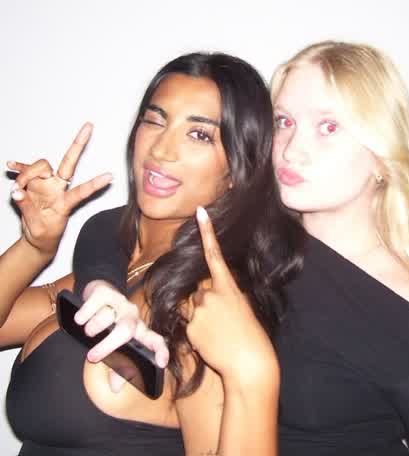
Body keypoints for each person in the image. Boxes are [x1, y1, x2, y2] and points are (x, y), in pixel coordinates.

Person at [2, 52, 301, 456]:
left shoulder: (202, 301)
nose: (161, 150)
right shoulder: (112, 269)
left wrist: (253, 375)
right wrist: (35, 247)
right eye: (155, 120)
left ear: (237, 168)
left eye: (200, 135)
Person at [270, 40, 409, 454]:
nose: (292, 149)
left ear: (382, 156)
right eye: (284, 121)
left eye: (328, 127)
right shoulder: (256, 256)